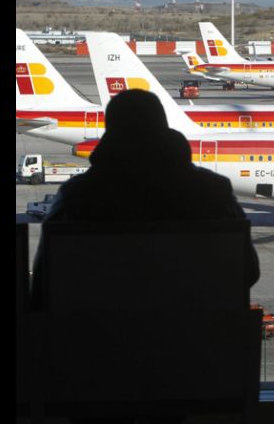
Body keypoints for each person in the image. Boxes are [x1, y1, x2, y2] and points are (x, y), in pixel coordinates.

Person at [31, 89, 259, 309]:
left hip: (102, 326)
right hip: (196, 326)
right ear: (163, 125)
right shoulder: (214, 191)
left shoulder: (77, 195)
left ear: (110, 130)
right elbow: (248, 271)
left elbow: (45, 282)